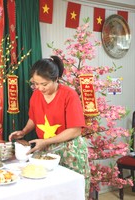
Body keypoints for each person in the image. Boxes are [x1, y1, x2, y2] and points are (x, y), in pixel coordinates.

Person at [9, 56, 90, 199]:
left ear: (56, 79)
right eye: (35, 84)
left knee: (69, 192)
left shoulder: (69, 95)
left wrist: (46, 142)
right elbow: (34, 118)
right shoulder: (36, 95)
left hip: (70, 151)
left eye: (44, 84)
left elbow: (75, 129)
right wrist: (23, 132)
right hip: (48, 150)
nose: (39, 88)